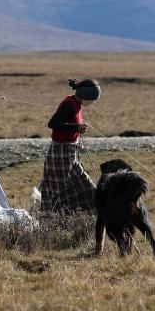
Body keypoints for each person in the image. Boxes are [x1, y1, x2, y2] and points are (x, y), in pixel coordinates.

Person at [39, 78, 101, 213]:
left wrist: (77, 127)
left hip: (70, 154)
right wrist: (76, 128)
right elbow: (53, 123)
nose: (93, 102)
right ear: (85, 95)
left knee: (85, 186)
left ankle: (90, 218)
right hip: (59, 153)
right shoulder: (70, 105)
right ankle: (49, 219)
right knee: (55, 189)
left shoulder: (76, 104)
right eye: (93, 99)